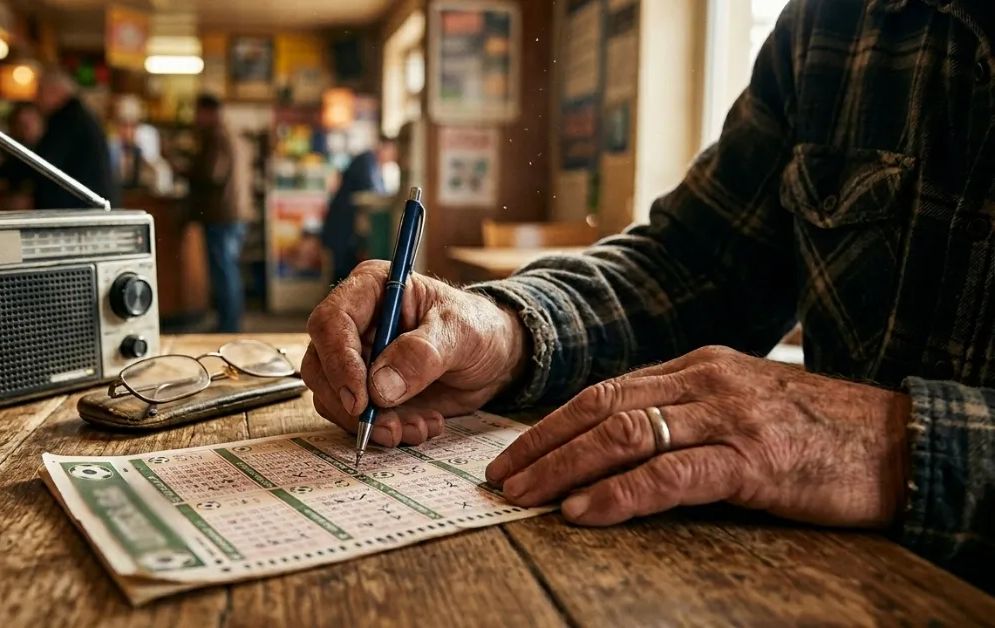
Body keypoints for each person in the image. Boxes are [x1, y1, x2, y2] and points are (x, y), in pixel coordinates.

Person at [302, 0, 995, 593]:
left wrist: (896, 444)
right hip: (837, 588)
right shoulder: (836, 21)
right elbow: (695, 265)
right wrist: (504, 328)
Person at [5, 66, 117, 210]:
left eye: (40, 92)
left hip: (79, 209)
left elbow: (44, 163)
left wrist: (5, 169)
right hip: (86, 206)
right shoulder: (76, 116)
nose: (36, 99)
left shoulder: (68, 120)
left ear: (55, 91)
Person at [186, 94, 247, 334]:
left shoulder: (217, 136)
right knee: (228, 269)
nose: (196, 117)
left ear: (208, 112)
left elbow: (213, 174)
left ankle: (228, 326)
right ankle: (229, 323)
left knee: (224, 272)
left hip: (223, 214)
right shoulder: (232, 134)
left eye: (198, 111)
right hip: (233, 213)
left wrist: (186, 169)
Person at [321, 139, 398, 285]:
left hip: (348, 231)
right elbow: (372, 193)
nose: (393, 158)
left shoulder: (375, 166)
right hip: (342, 229)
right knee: (341, 277)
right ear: (385, 147)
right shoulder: (366, 161)